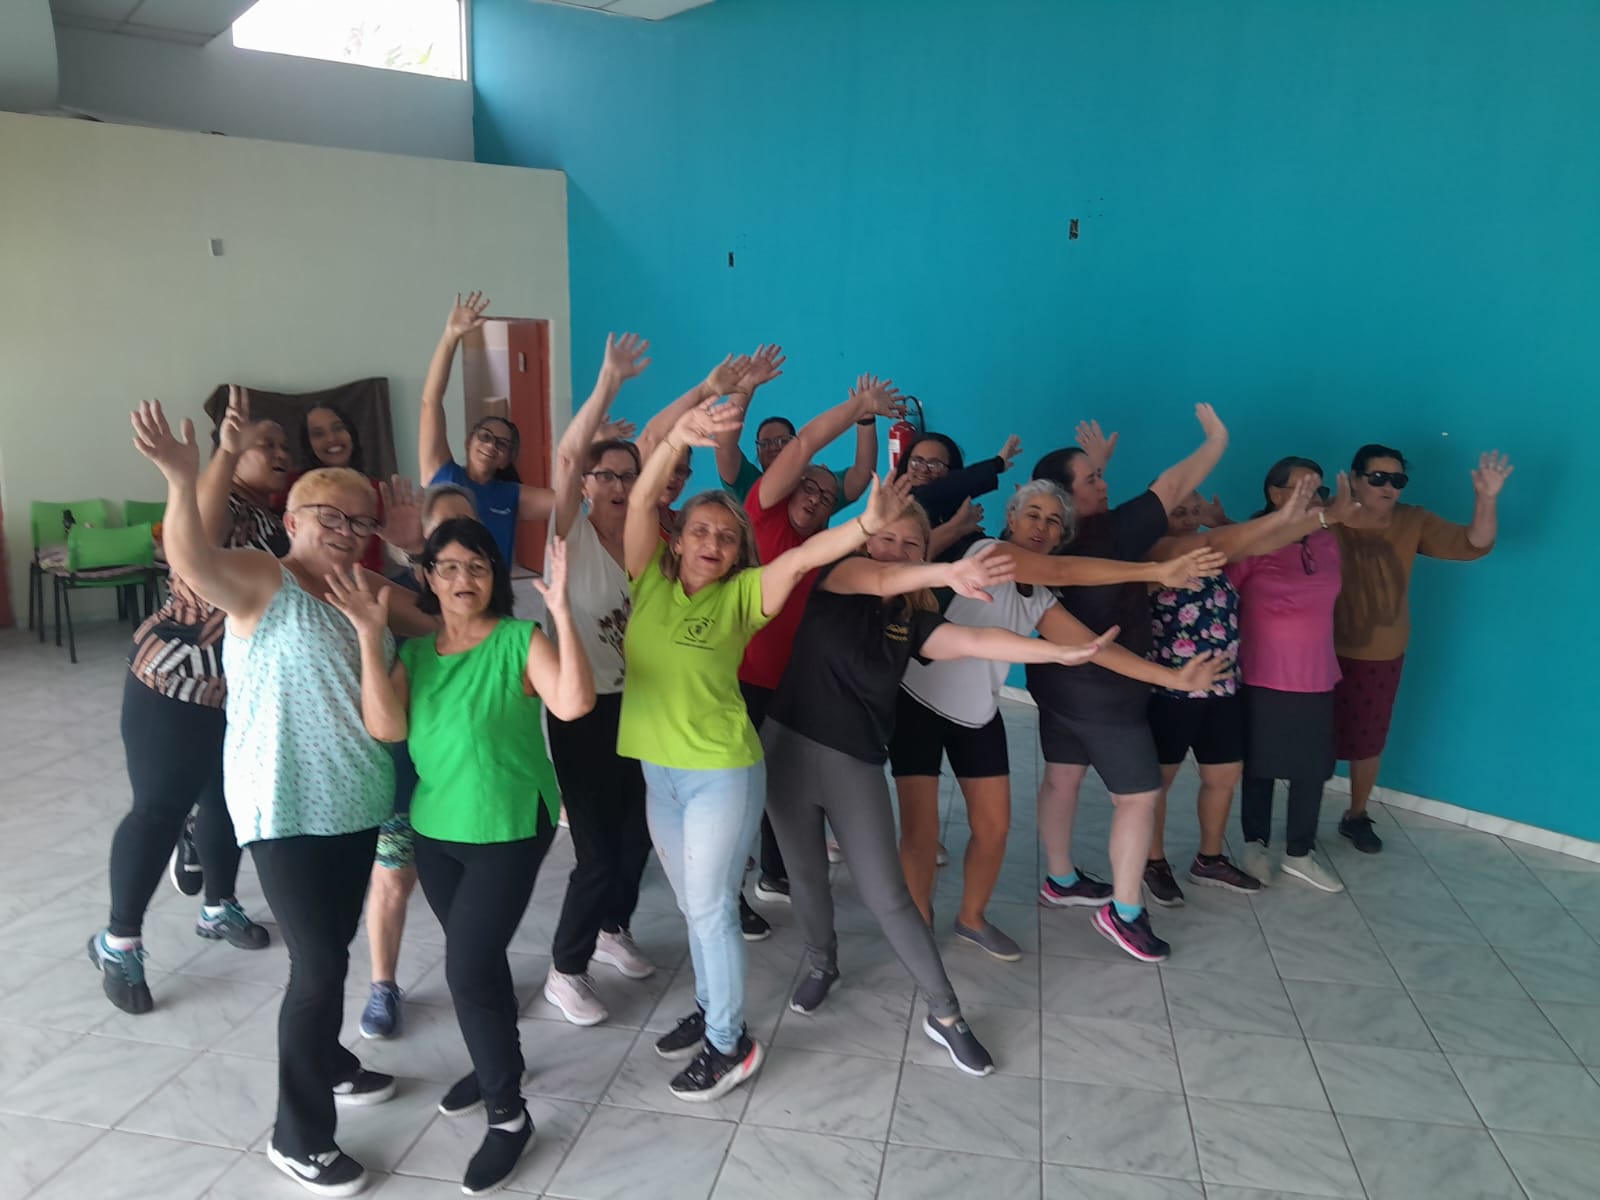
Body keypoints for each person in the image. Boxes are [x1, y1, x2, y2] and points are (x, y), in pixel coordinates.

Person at [128, 401, 435, 1197]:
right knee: (319, 964)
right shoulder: (265, 579)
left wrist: (411, 549)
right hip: (283, 803)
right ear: (293, 519)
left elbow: (439, 619)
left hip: (358, 797)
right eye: (331, 515)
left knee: (331, 945)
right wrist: (184, 478)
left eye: (360, 519)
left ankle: (328, 1060)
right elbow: (190, 560)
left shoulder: (367, 584)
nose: (347, 530)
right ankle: (298, 1137)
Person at [764, 498, 1117, 1075]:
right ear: (867, 541)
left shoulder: (912, 623)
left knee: (889, 895)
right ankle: (822, 963)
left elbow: (979, 642)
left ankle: (946, 1014)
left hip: (853, 765)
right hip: (787, 749)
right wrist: (947, 570)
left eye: (912, 545)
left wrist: (1059, 652)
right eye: (887, 539)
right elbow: (882, 578)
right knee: (805, 878)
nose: (896, 551)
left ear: (923, 554)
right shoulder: (840, 577)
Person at [619, 392, 905, 1102]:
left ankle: (729, 1043)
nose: (712, 543)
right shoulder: (648, 579)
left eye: (726, 536)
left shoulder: (746, 593)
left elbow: (803, 555)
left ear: (738, 550)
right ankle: (710, 1005)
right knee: (694, 905)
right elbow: (641, 501)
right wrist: (676, 438)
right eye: (700, 531)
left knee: (712, 907)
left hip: (720, 771)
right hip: (661, 773)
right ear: (677, 539)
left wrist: (863, 526)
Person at [331, 518, 593, 1196]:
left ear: (494, 577)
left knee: (468, 966)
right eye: (447, 566)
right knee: (479, 960)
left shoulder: (519, 639)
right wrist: (369, 636)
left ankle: (508, 1115)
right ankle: (498, 1059)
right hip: (436, 830)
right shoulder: (416, 655)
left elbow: (573, 703)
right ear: (428, 576)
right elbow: (385, 726)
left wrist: (562, 611)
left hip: (509, 825)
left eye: (476, 566)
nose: (462, 579)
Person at [893, 480, 1225, 960]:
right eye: (1033, 514)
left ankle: (971, 919)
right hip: (920, 703)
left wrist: (1171, 677)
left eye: (1054, 521)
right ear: (1012, 519)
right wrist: (1156, 570)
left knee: (994, 829)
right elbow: (1065, 568)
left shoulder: (1041, 598)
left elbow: (1094, 649)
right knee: (921, 834)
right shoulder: (989, 553)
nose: (1042, 526)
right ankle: (918, 928)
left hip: (978, 714)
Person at [91, 388, 283, 1016]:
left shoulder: (271, 516)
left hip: (235, 691)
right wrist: (220, 456)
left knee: (225, 801)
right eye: (266, 444)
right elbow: (195, 538)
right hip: (173, 683)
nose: (280, 453)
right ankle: (118, 940)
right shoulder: (219, 498)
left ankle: (217, 906)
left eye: (283, 444)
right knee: (159, 811)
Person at [1026, 405, 1230, 963]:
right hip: (1107, 695)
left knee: (1062, 778)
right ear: (1066, 497)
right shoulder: (1112, 532)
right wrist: (1216, 440)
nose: (1104, 484)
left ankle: (1061, 879)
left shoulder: (1032, 540)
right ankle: (1125, 911)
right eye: (1093, 480)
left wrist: (1091, 469)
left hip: (1054, 685)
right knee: (1138, 798)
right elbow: (1174, 484)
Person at [1139, 474, 1361, 906]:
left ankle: (1209, 859)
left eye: (1193, 510)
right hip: (1171, 692)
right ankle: (1154, 862)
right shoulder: (1155, 553)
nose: (1187, 519)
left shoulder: (1216, 555)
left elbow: (1264, 542)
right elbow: (1241, 541)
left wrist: (1320, 519)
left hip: (1224, 689)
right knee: (1157, 784)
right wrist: (1319, 516)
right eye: (1177, 511)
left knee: (1222, 778)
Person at [737, 372, 906, 905]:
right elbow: (807, 443)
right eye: (808, 487)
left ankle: (774, 871)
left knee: (779, 781)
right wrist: (858, 403)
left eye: (826, 496)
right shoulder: (763, 512)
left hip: (791, 686)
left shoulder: (830, 548)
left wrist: (866, 421)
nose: (815, 497)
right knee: (737, 785)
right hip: (740, 677)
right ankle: (730, 893)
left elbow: (859, 477)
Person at [539, 332, 661, 1027]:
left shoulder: (647, 541)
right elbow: (565, 456)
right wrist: (608, 381)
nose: (617, 486)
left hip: (638, 706)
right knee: (595, 852)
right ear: (586, 485)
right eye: (605, 476)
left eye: (627, 477)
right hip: (580, 710)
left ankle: (615, 928)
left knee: (636, 833)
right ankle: (565, 969)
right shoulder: (568, 536)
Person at [1332, 444, 1511, 853]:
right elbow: (1270, 541)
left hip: (1380, 651)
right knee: (1310, 740)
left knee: (1368, 740)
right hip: (1314, 650)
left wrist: (1486, 498)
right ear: (1355, 478)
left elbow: (1473, 543)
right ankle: (1300, 826)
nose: (1388, 486)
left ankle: (1355, 816)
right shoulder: (1326, 515)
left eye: (1397, 480)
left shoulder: (1412, 520)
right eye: (1378, 477)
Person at [359, 482, 479, 1040]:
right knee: (394, 877)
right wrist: (411, 556)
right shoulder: (392, 593)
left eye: (466, 527)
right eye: (441, 529)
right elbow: (430, 617)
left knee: (468, 889)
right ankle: (383, 985)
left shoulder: (485, 596)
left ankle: (474, 975)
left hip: (467, 774)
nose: (455, 539)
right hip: (406, 772)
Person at [1228, 458, 1348, 894]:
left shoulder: (1328, 540)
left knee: (1311, 768)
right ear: (1274, 494)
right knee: (1259, 765)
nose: (1313, 498)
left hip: (1316, 672)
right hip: (1262, 672)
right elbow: (1223, 597)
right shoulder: (1251, 541)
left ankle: (1300, 852)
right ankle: (1254, 846)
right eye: (1301, 489)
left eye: (1319, 491)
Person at [418, 291, 555, 565]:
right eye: (485, 436)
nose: (491, 445)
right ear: (469, 442)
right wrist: (451, 337)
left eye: (502, 444)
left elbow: (567, 501)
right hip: (442, 582)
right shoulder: (441, 474)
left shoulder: (510, 495)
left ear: (506, 459)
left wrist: (591, 449)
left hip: (495, 587)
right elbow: (431, 402)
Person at [715, 344, 877, 506]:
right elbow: (724, 445)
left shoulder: (816, 491)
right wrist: (747, 385)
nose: (774, 447)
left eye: (782, 441)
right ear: (757, 451)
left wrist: (866, 419)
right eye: (765, 443)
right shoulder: (747, 484)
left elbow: (861, 476)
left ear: (795, 445)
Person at [893, 430, 1023, 559]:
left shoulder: (956, 507)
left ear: (952, 471)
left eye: (935, 464)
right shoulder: (902, 501)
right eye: (916, 461)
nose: (923, 469)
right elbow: (933, 492)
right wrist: (997, 464)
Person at [294, 403, 387, 574]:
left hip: (371, 583)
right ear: (308, 445)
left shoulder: (377, 490)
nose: (331, 439)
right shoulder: (295, 487)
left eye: (338, 428)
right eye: (318, 434)